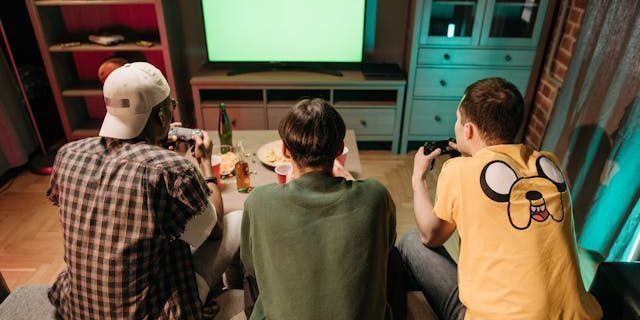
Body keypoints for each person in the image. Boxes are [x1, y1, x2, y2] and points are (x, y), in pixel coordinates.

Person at [47, 62, 241, 319]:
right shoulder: (172, 170)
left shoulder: (67, 155)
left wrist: (157, 152)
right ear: (162, 117)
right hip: (152, 314)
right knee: (235, 220)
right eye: (170, 107)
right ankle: (234, 295)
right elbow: (213, 231)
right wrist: (205, 164)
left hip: (78, 311)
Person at [399, 77, 603, 319]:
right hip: (578, 316)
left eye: (458, 119)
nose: (456, 125)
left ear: (468, 130)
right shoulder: (549, 164)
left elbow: (430, 236)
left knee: (412, 242)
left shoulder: (459, 170)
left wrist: (417, 178)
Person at [240, 98, 398, 320]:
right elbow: (387, 245)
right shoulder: (376, 196)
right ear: (340, 148)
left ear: (285, 150)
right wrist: (349, 180)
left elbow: (252, 266)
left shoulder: (258, 201)